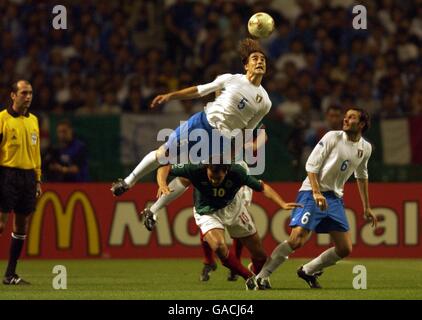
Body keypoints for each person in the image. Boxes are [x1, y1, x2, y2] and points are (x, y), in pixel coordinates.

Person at [111, 38, 272, 196]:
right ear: (246, 65)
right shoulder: (230, 79)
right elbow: (199, 90)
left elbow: (246, 131)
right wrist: (171, 96)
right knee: (163, 154)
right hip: (201, 123)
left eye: (263, 59)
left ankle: (153, 211)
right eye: (255, 58)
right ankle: (127, 182)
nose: (260, 62)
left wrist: (229, 155)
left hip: (221, 140)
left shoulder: (265, 102)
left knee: (189, 177)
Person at [254, 108, 378, 289]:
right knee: (297, 239)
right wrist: (316, 192)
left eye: (351, 117)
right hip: (312, 192)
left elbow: (362, 175)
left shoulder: (365, 148)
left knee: (344, 249)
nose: (345, 119)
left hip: (334, 198)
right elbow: (311, 165)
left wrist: (367, 207)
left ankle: (308, 270)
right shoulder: (332, 137)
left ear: (361, 124)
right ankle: (262, 276)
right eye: (346, 115)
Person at [142, 161, 302, 290]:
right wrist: (162, 183)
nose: (213, 181)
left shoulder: (237, 172)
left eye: (217, 179)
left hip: (234, 210)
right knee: (218, 246)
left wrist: (281, 203)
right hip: (207, 212)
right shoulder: (196, 168)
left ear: (226, 172)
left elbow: (262, 187)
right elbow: (165, 165)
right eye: (210, 177)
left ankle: (255, 272)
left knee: (260, 256)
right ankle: (248, 277)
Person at [0, 80, 42, 285]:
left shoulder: (34, 120)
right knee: (1, 223)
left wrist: (38, 179)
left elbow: (36, 153)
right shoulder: (2, 119)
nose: (28, 96)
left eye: (31, 93)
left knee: (21, 226)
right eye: (24, 92)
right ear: (13, 95)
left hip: (28, 178)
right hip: (7, 174)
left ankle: (10, 274)